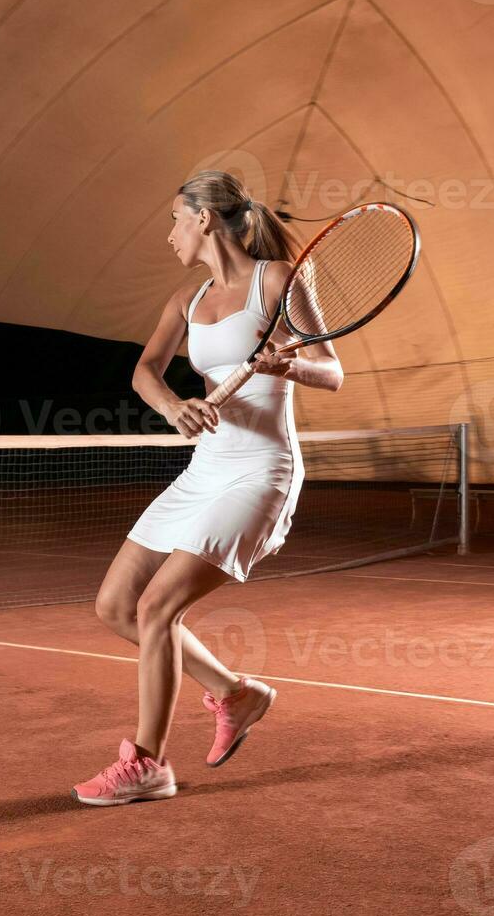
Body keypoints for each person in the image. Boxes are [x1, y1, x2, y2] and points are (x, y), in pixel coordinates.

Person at [71, 171, 343, 806]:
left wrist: (290, 364)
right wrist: (174, 407)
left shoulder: (276, 281)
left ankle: (147, 764)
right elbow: (144, 371)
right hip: (205, 471)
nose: (169, 234)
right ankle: (236, 693)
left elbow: (334, 372)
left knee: (157, 608)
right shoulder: (186, 302)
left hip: (261, 472)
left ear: (203, 220)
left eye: (174, 219)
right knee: (116, 605)